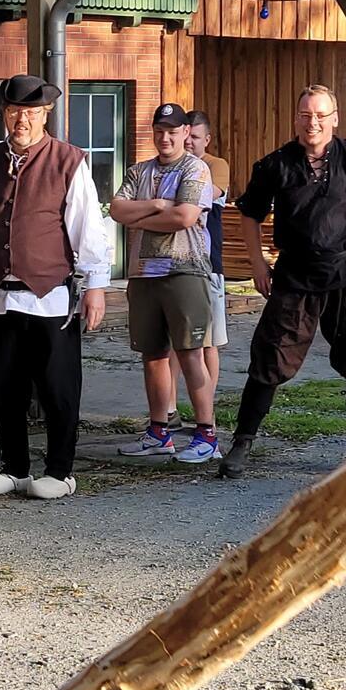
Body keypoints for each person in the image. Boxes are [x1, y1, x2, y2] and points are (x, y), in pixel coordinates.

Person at [220, 84, 346, 478]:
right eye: (306, 115)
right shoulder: (277, 164)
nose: (313, 123)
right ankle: (242, 442)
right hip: (295, 273)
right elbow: (250, 213)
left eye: (321, 115)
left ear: (335, 119)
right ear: (297, 119)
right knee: (269, 356)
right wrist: (257, 264)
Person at [0, 73, 111, 501]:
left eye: (31, 112)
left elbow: (87, 229)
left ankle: (60, 471)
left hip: (50, 295)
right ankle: (14, 468)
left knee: (58, 387)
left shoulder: (68, 161)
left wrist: (96, 285)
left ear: (46, 114)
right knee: (4, 387)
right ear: (3, 113)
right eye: (14, 111)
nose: (22, 119)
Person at [109, 103, 219, 463]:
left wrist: (142, 215)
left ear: (186, 132)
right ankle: (159, 431)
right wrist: (157, 205)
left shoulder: (195, 169)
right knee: (152, 354)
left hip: (184, 271)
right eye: (159, 131)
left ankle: (206, 434)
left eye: (173, 131)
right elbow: (116, 210)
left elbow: (185, 216)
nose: (165, 138)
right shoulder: (139, 170)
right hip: (143, 274)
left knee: (190, 354)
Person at [183, 109, 231, 433]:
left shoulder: (217, 166)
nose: (188, 144)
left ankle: (207, 414)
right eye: (185, 138)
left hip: (208, 264)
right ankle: (170, 410)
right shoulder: (173, 166)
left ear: (207, 139)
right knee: (179, 345)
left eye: (195, 139)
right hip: (177, 267)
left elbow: (205, 196)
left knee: (208, 342)